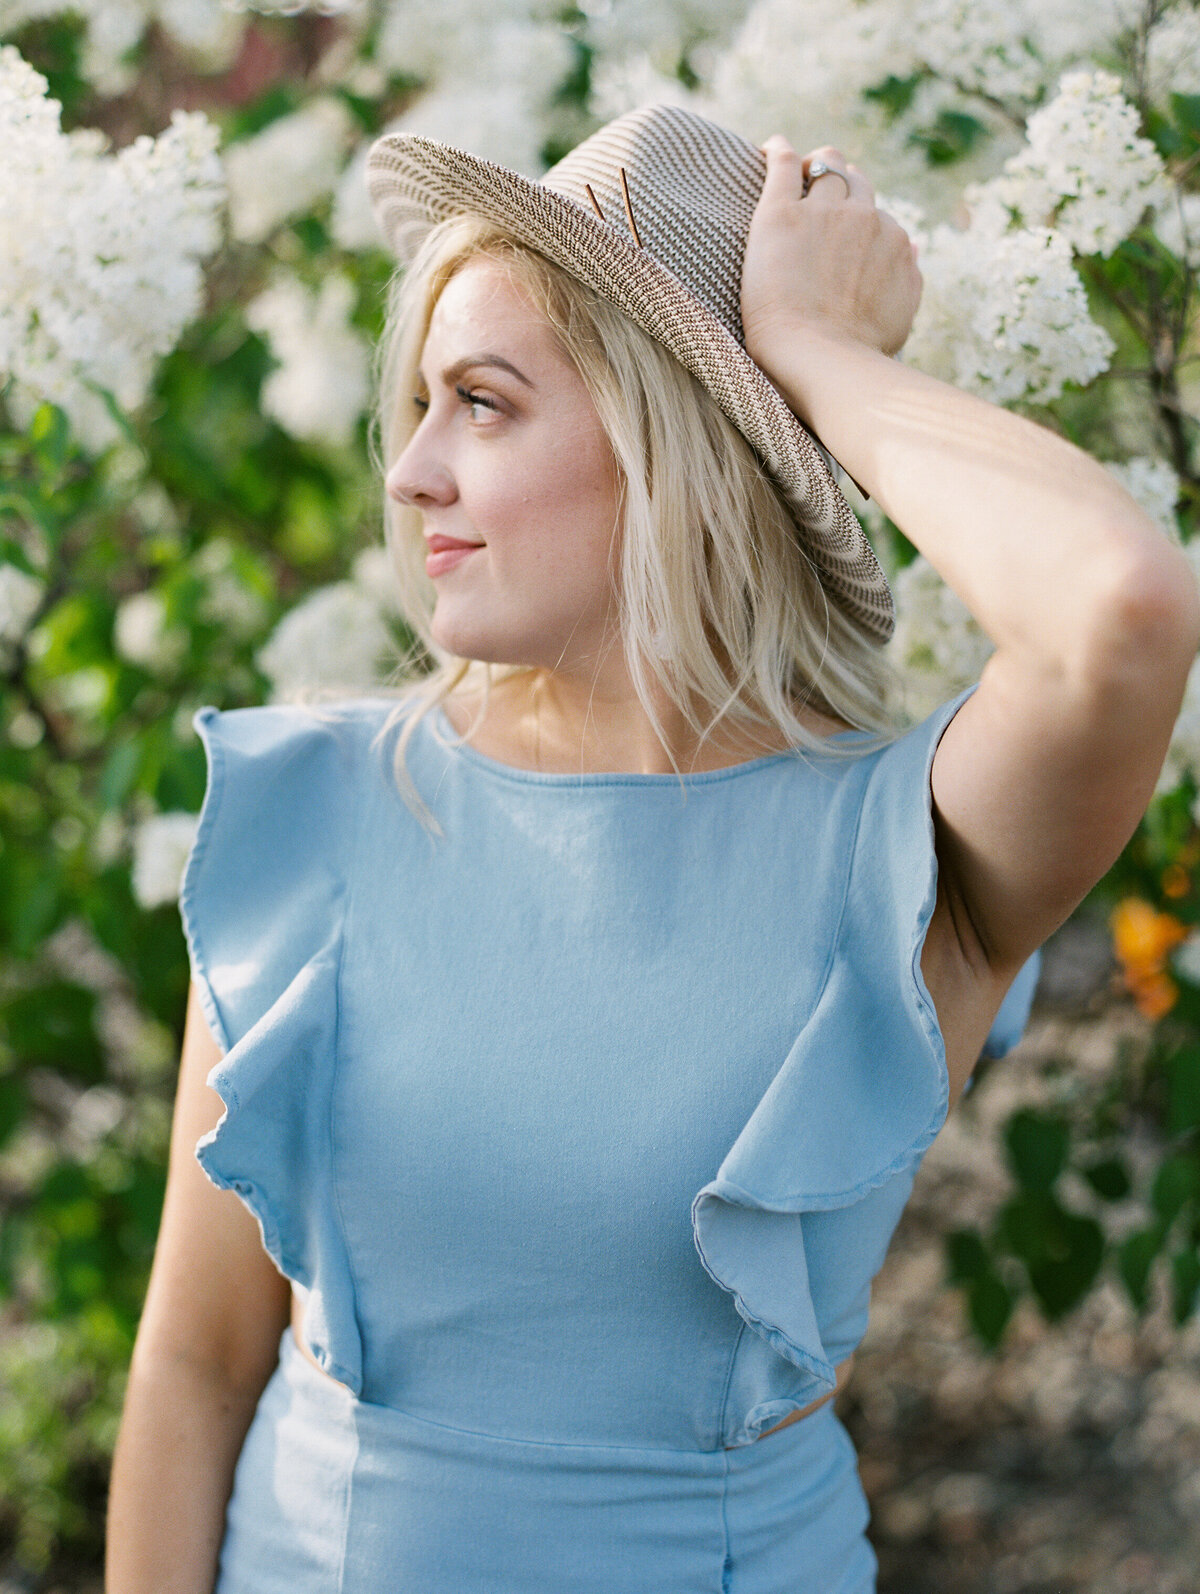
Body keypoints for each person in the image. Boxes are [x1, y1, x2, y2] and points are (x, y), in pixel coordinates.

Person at [104, 104, 1199, 1593]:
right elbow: (193, 1361)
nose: (413, 469)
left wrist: (812, 354)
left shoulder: (896, 853)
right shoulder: (313, 808)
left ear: (660, 436)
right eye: (421, 405)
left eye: (482, 403)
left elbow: (1121, 609)